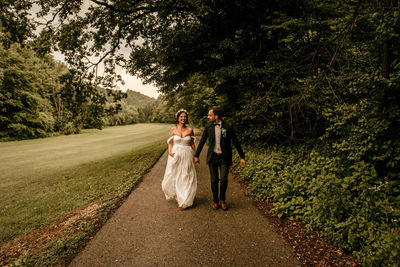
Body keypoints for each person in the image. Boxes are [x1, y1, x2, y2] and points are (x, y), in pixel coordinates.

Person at [194, 106, 245, 211]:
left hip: (224, 158)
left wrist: (242, 156)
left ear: (216, 116)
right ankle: (215, 201)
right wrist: (196, 155)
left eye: (210, 115)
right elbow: (202, 141)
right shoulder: (208, 127)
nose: (208, 117)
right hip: (212, 157)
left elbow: (236, 141)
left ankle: (222, 199)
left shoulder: (228, 126)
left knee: (224, 180)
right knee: (214, 180)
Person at [161, 109, 197, 209]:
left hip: (187, 154)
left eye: (185, 117)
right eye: (181, 116)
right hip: (176, 154)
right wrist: (170, 152)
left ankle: (186, 199)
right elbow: (170, 142)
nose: (183, 118)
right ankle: (176, 194)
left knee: (187, 175)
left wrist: (196, 155)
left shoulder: (190, 130)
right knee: (174, 174)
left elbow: (192, 144)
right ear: (178, 118)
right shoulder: (173, 129)